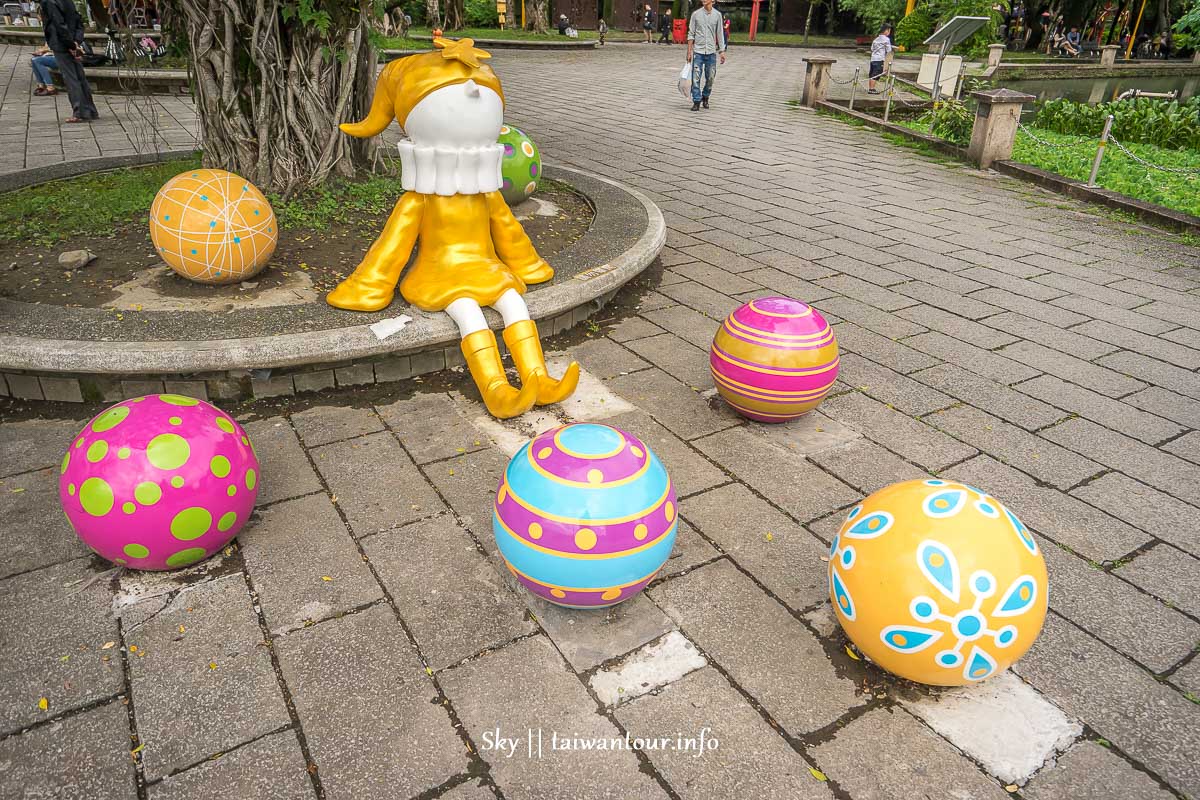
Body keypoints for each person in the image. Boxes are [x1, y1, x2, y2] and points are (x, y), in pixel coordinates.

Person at [39, 0, 98, 123]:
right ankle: (90, 110)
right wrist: (76, 41)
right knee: (80, 77)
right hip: (70, 42)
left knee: (71, 78)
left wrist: (71, 45)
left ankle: (80, 112)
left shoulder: (49, 2)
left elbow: (59, 25)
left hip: (62, 44)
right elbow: (78, 22)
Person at [686, 0, 726, 110]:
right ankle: (697, 100)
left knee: (711, 78)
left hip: (711, 52)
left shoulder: (717, 15)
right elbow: (691, 34)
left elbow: (720, 34)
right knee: (695, 78)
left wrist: (722, 51)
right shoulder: (695, 15)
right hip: (698, 52)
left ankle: (705, 96)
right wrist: (689, 52)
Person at [868, 23, 893, 94]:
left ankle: (870, 88)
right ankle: (872, 89)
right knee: (876, 74)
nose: (889, 32)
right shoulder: (886, 39)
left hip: (873, 59)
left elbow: (872, 48)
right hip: (879, 59)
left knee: (872, 73)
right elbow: (889, 50)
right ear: (886, 31)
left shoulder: (876, 39)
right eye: (889, 31)